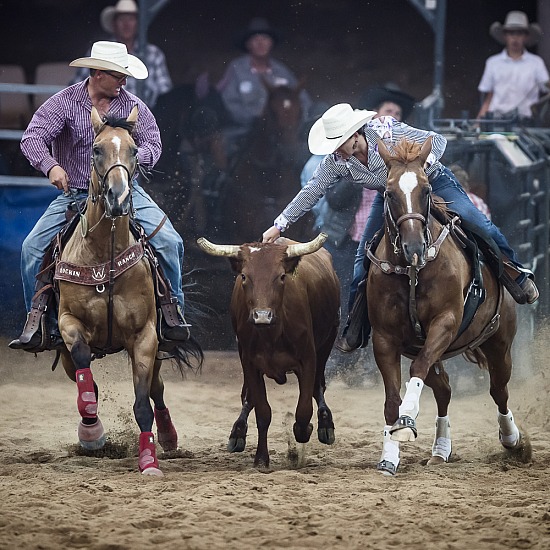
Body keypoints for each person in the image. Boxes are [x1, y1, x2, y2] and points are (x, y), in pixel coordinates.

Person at [262, 103, 539, 353]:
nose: (335, 149)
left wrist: (420, 167)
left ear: (354, 134)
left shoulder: (387, 130)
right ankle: (356, 327)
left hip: (431, 180)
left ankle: (515, 275)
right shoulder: (336, 162)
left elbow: (437, 141)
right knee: (364, 257)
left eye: (338, 142)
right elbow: (312, 191)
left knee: (478, 223)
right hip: (391, 194)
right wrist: (280, 224)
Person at [9, 41, 189, 352]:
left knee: (171, 242)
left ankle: (172, 314)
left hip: (126, 190)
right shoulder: (64, 103)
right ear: (96, 73)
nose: (124, 82)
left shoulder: (134, 106)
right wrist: (51, 166)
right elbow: (33, 137)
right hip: (76, 193)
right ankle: (41, 322)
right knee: (31, 250)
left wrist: (127, 160)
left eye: (124, 76)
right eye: (117, 75)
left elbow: (153, 145)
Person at [216, 17, 313, 150]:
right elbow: (227, 102)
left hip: (279, 134)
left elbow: (304, 100)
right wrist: (253, 117)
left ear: (271, 43)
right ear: (248, 44)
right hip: (244, 131)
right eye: (255, 39)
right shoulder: (237, 69)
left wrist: (293, 120)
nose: (261, 43)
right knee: (222, 150)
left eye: (265, 39)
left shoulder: (282, 71)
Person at [72, 0, 172, 109]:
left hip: (143, 117)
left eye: (131, 19)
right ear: (114, 23)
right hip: (103, 119)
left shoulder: (153, 54)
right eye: (122, 19)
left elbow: (165, 95)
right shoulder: (100, 51)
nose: (126, 24)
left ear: (138, 23)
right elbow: (77, 91)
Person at [477, 11, 549, 123]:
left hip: (526, 123)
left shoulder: (536, 63)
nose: (515, 38)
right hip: (497, 121)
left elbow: (547, 89)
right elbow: (488, 97)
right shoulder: (493, 63)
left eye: (519, 33)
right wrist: (478, 123)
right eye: (511, 33)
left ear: (525, 36)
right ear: (505, 36)